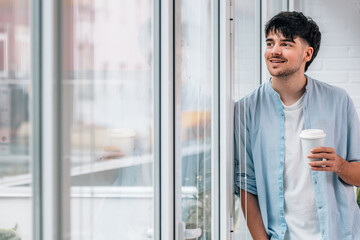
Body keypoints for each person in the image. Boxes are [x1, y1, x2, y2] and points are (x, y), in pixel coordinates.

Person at [234, 11, 360, 240]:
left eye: (286, 44)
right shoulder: (246, 109)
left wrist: (340, 165)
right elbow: (246, 185)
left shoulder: (338, 101)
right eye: (270, 43)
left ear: (307, 53)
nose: (274, 51)